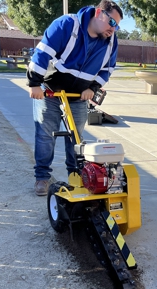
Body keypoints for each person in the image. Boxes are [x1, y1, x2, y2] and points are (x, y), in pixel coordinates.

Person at [26, 0, 123, 196]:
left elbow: (107, 69)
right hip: (50, 89)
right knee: (46, 135)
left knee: (76, 138)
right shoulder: (67, 25)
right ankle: (42, 177)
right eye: (112, 22)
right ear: (98, 13)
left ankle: (77, 175)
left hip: (78, 95)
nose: (114, 29)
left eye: (117, 26)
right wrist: (35, 83)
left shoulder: (111, 41)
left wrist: (93, 87)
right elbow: (43, 53)